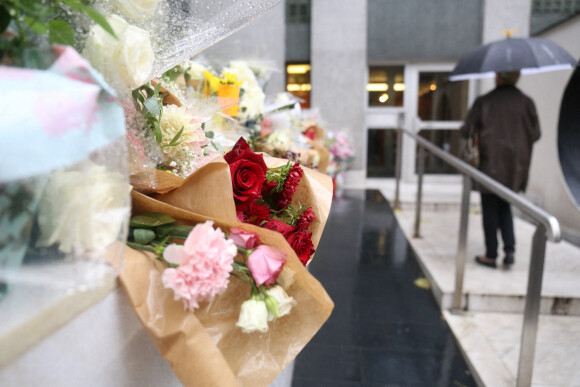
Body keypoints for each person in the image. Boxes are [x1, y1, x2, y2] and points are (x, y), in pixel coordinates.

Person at [460, 71, 541, 268]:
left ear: (497, 77)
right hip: (515, 167)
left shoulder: (484, 102)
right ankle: (510, 250)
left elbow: (465, 130)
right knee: (505, 207)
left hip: (490, 164)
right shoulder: (527, 103)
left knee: (490, 209)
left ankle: (491, 254)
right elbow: (536, 133)